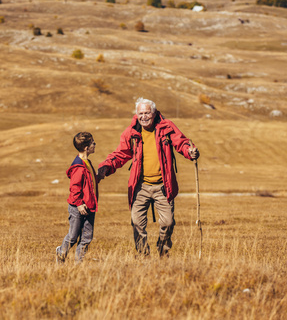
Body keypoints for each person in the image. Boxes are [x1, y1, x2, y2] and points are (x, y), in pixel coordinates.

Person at [98, 98, 199, 257]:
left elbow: (181, 143)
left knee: (168, 223)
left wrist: (190, 151)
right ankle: (143, 255)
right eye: (141, 113)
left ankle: (163, 250)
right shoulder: (131, 132)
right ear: (136, 114)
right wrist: (106, 167)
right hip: (140, 186)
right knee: (137, 223)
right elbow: (120, 154)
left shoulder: (166, 127)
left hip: (163, 186)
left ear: (154, 113)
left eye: (147, 113)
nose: (144, 117)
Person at [56, 132, 99, 263]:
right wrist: (79, 204)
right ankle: (61, 253)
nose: (94, 145)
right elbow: (74, 188)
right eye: (93, 143)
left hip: (89, 207)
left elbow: (89, 183)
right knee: (73, 236)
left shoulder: (87, 163)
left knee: (86, 237)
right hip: (78, 207)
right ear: (86, 148)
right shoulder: (79, 167)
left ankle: (79, 263)